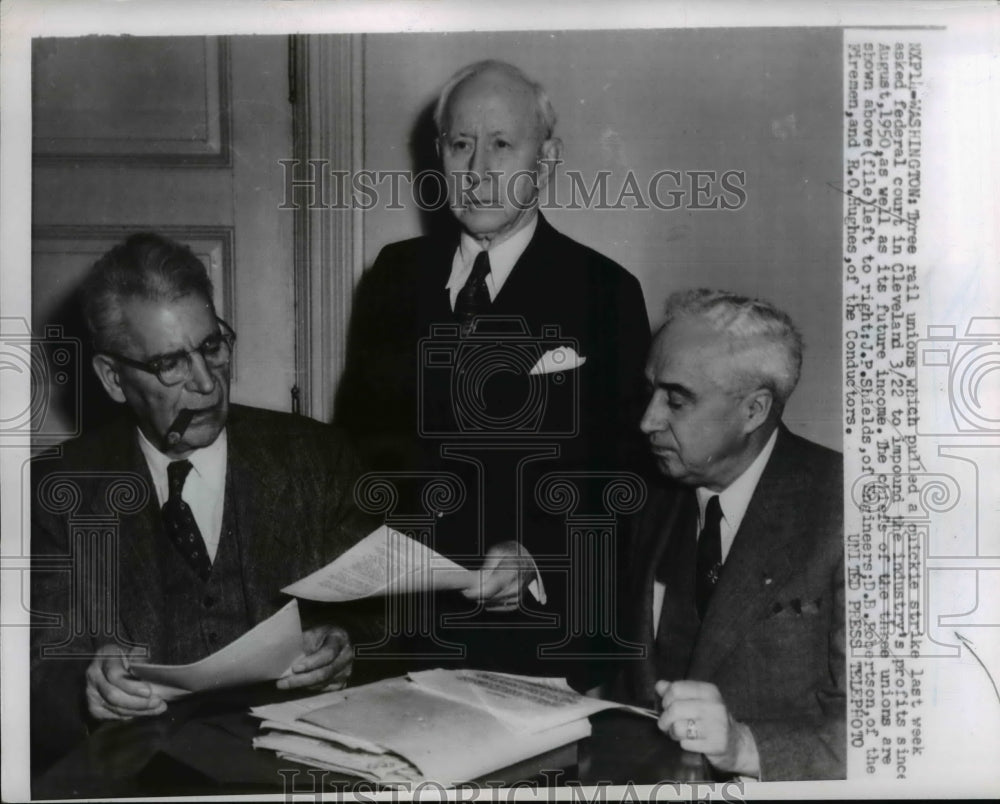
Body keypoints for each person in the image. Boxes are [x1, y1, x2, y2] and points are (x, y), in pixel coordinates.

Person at [334, 60, 650, 678]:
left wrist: (536, 557)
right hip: (399, 635)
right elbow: (354, 451)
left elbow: (626, 475)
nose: (478, 172)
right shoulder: (393, 275)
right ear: (439, 155)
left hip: (537, 641)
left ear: (547, 158)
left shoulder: (605, 291)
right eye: (461, 145)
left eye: (502, 145)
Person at [29, 233, 381, 772]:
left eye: (212, 346)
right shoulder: (58, 489)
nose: (207, 384)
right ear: (112, 378)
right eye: (170, 363)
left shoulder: (317, 457)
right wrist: (87, 687)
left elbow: (384, 621)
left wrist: (344, 646)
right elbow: (34, 664)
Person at [612, 289, 844, 781]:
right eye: (650, 392)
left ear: (755, 410)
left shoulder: (854, 510)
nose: (647, 420)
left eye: (676, 400)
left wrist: (745, 747)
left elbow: (890, 730)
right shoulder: (655, 494)